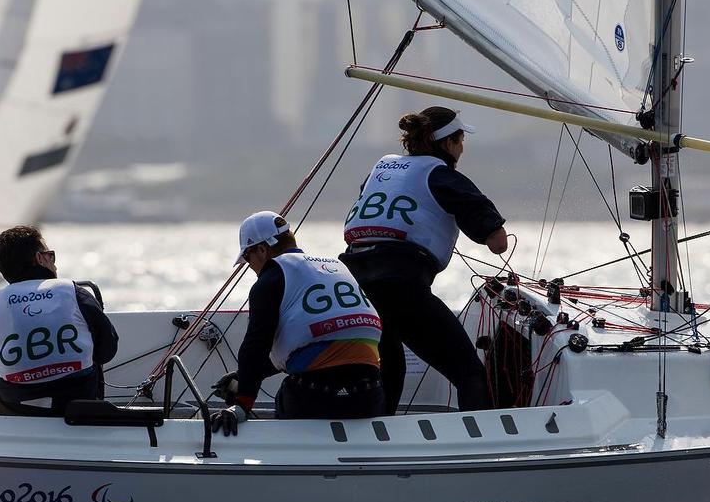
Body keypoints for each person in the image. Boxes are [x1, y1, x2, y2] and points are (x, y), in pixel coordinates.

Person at [341, 106, 509, 415]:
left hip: (353, 285)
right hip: (399, 286)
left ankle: (378, 447)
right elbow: (498, 243)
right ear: (448, 144)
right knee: (469, 373)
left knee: (390, 372)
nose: (462, 149)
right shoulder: (442, 175)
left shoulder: (381, 168)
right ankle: (481, 453)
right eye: (460, 141)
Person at [210, 211, 384, 435]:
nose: (250, 267)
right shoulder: (336, 267)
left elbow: (256, 344)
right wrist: (245, 376)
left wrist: (242, 404)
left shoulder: (272, 277)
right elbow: (315, 344)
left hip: (314, 396)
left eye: (248, 259)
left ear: (261, 250)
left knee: (288, 393)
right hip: (370, 394)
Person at [0, 225, 119, 416]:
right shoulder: (73, 292)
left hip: (16, 409)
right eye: (50, 255)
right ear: (39, 259)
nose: (54, 263)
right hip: (76, 406)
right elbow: (107, 351)